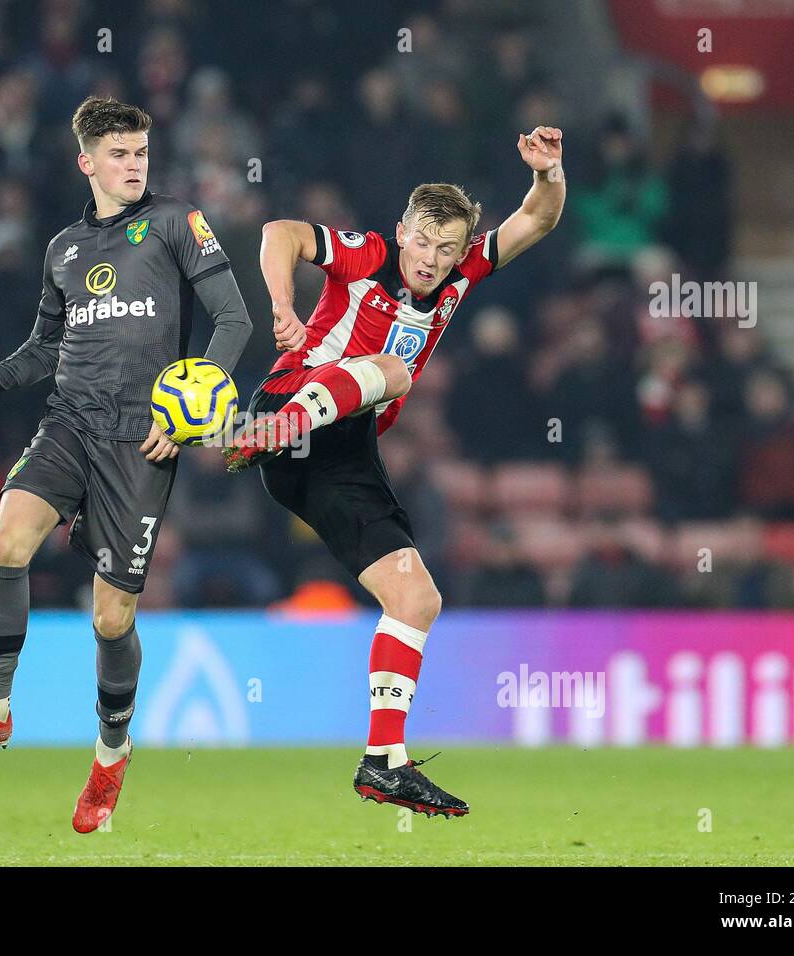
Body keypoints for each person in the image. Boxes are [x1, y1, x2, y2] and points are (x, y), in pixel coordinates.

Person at [0, 97, 251, 832]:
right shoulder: (63, 248)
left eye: (141, 153)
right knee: (7, 541)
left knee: (112, 617)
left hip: (142, 437)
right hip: (70, 420)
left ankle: (110, 755)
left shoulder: (176, 222)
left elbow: (235, 320)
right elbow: (46, 347)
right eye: (120, 154)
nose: (135, 165)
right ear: (87, 161)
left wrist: (190, 410)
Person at [224, 126, 565, 817]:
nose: (433, 260)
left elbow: (536, 218)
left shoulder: (464, 272)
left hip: (343, 451)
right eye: (423, 242)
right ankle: (276, 428)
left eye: (447, 249)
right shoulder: (368, 255)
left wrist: (549, 174)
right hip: (291, 408)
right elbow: (280, 232)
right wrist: (283, 305)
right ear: (402, 231)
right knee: (394, 371)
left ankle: (384, 761)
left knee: (417, 601)